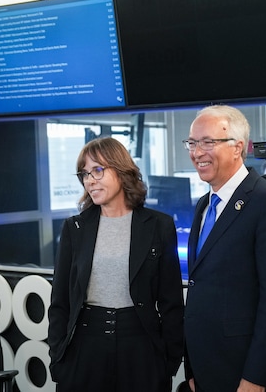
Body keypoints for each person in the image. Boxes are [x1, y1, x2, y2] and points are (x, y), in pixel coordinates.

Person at [47, 137, 184, 392]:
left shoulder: (159, 226)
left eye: (97, 170)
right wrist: (58, 358)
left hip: (141, 346)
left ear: (121, 171)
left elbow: (171, 302)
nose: (90, 180)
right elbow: (60, 302)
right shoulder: (74, 228)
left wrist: (169, 361)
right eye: (85, 174)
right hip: (85, 346)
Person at [183, 105, 266, 392]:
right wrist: (192, 368)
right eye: (192, 143)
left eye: (208, 142)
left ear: (237, 147)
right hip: (207, 368)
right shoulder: (203, 205)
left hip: (247, 375)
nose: (197, 152)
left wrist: (256, 377)